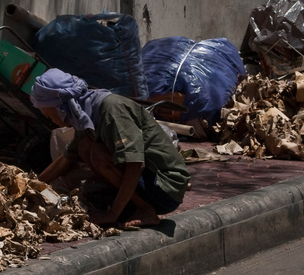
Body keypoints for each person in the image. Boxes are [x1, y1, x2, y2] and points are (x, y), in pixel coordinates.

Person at [31, 69, 190, 228]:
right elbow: (66, 158)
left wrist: (113, 213)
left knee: (98, 153)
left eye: (49, 115)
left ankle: (146, 210)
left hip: (165, 188)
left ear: (60, 107)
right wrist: (31, 184)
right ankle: (128, 204)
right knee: (85, 145)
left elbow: (135, 164)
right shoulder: (83, 115)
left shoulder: (111, 108)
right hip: (145, 184)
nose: (51, 120)